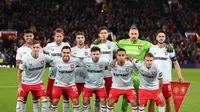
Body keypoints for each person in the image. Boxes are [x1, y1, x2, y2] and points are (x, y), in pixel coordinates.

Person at [116, 25, 152, 112]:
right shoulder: (122, 43)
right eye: (132, 33)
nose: (134, 35)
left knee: (139, 95)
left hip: (139, 74)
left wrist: (165, 45)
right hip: (126, 74)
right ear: (129, 34)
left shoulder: (145, 44)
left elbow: (156, 48)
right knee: (126, 96)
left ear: (138, 34)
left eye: (135, 33)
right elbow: (110, 46)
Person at [148, 30, 184, 112]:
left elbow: (175, 63)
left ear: (165, 38)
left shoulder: (169, 49)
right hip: (154, 80)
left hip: (166, 80)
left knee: (167, 101)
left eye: (162, 36)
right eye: (159, 36)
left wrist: (180, 76)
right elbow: (148, 62)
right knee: (152, 100)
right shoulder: (152, 49)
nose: (161, 38)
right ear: (156, 38)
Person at [16, 40, 52, 112]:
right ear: (31, 48)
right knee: (19, 102)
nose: (36, 49)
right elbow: (19, 72)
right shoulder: (25, 58)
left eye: (37, 47)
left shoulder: (44, 57)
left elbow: (54, 61)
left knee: (44, 101)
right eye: (34, 47)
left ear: (40, 48)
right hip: (26, 83)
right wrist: (20, 86)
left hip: (38, 83)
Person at [91, 26, 118, 112]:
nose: (103, 35)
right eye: (101, 33)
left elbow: (119, 54)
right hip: (98, 73)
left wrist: (114, 60)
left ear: (108, 34)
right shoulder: (95, 45)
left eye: (105, 33)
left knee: (110, 96)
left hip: (109, 73)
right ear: (99, 35)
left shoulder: (112, 45)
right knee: (98, 96)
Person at [43, 28, 70, 111]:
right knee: (51, 97)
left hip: (64, 75)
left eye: (60, 36)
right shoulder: (49, 46)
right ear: (54, 37)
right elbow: (41, 52)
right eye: (57, 36)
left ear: (63, 37)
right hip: (53, 75)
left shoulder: (66, 45)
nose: (59, 38)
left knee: (66, 97)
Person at [49, 46, 81, 112]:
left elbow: (84, 64)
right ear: (61, 53)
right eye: (64, 53)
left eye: (67, 53)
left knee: (76, 102)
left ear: (70, 53)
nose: (66, 54)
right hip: (58, 84)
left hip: (71, 84)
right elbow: (47, 64)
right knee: (54, 102)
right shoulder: (55, 61)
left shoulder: (76, 60)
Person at [16, 29, 40, 112]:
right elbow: (18, 65)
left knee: (36, 98)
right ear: (24, 37)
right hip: (25, 80)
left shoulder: (38, 48)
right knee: (23, 99)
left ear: (33, 36)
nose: (29, 37)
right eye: (27, 36)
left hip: (36, 80)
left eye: (30, 36)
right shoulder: (20, 50)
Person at [81, 46, 108, 112]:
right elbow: (81, 68)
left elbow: (110, 67)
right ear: (91, 54)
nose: (96, 56)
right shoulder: (85, 61)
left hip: (100, 85)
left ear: (100, 54)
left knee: (103, 102)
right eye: (94, 54)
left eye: (97, 54)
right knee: (85, 101)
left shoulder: (104, 62)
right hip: (88, 85)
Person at [71, 31, 90, 96]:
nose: (80, 39)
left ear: (84, 39)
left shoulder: (89, 50)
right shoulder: (72, 50)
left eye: (82, 37)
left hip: (86, 79)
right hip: (75, 79)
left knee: (86, 99)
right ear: (76, 39)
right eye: (78, 38)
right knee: (75, 98)